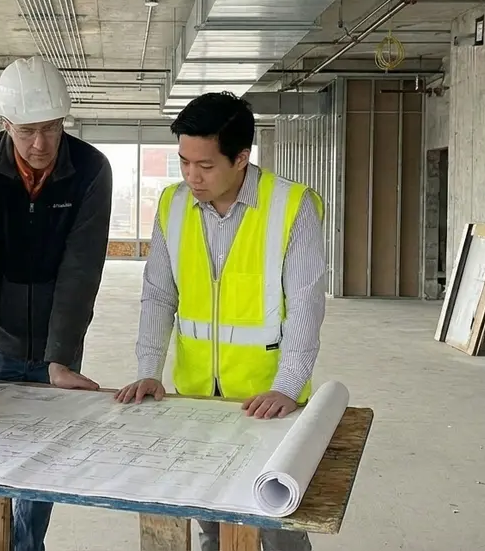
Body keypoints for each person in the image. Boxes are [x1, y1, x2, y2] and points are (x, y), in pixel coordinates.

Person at [114, 91, 327, 551]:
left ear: (241, 158)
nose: (192, 175)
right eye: (184, 162)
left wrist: (288, 387)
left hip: (268, 402)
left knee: (275, 524)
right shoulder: (172, 206)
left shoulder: (292, 207)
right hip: (196, 397)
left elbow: (307, 306)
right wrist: (148, 371)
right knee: (210, 517)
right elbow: (158, 294)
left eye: (205, 165)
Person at [0, 55, 113, 551]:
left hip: (55, 340)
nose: (40, 144)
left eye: (50, 129)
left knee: (45, 456)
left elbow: (81, 269)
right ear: (4, 125)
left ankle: (28, 546)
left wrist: (59, 357)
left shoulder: (90, 168)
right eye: (26, 132)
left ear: (64, 121)